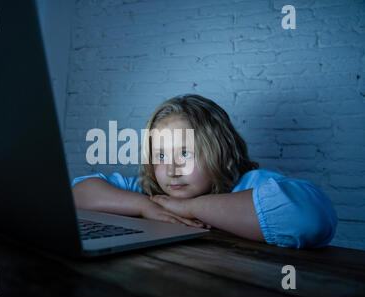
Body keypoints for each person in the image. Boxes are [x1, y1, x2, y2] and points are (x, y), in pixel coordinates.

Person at [71, 94, 337, 249]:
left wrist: (189, 208)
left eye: (185, 153)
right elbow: (77, 193)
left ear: (224, 155)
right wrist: (142, 205)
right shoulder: (149, 193)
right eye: (161, 155)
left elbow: (310, 217)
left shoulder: (249, 186)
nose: (172, 169)